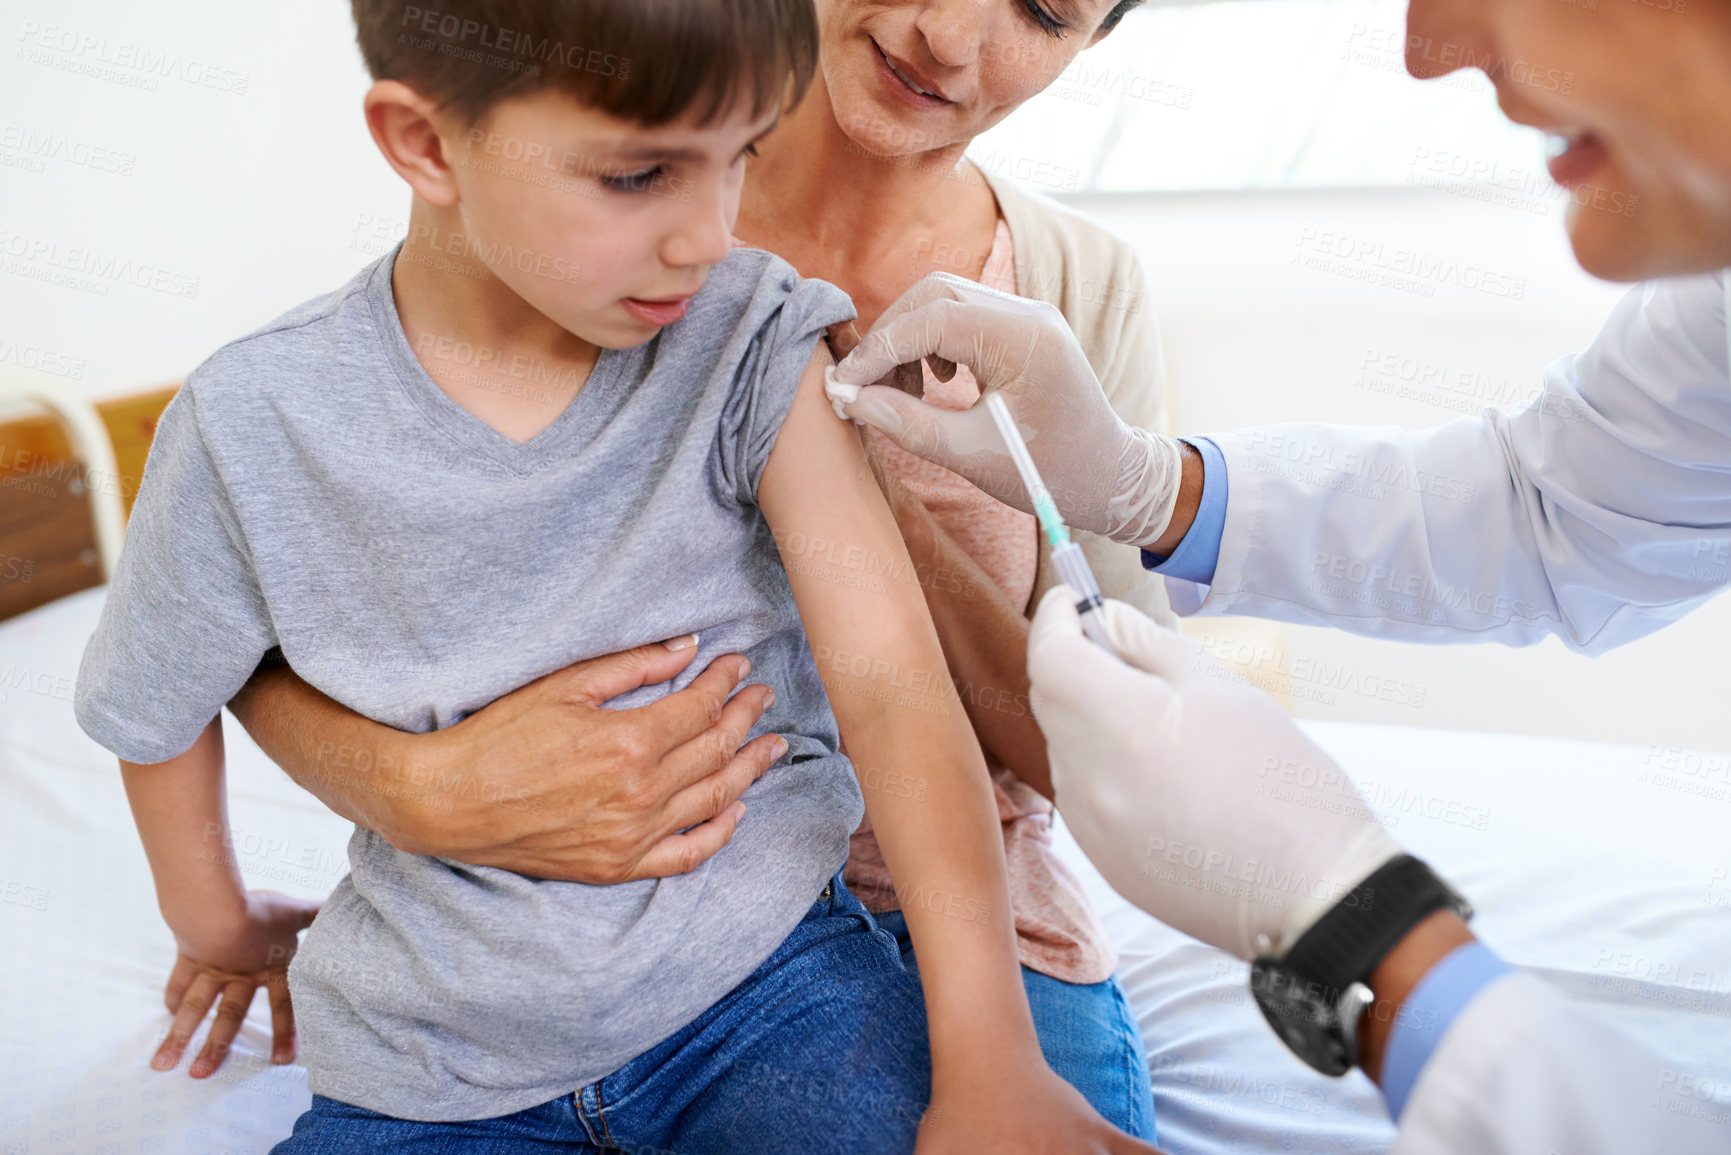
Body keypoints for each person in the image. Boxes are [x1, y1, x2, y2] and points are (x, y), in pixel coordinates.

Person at [73, 1, 1156, 1151]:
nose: (708, 235)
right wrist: (226, 920)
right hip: (432, 1060)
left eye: (737, 160)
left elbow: (899, 694)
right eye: (643, 176)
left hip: (778, 995)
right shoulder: (250, 421)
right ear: (426, 144)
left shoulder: (753, 333)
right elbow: (166, 690)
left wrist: (988, 1054)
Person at [820, 0, 1731, 1148]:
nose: (1424, 51)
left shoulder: (1077, 276)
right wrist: (1151, 486)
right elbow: (1548, 512)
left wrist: (1356, 918)